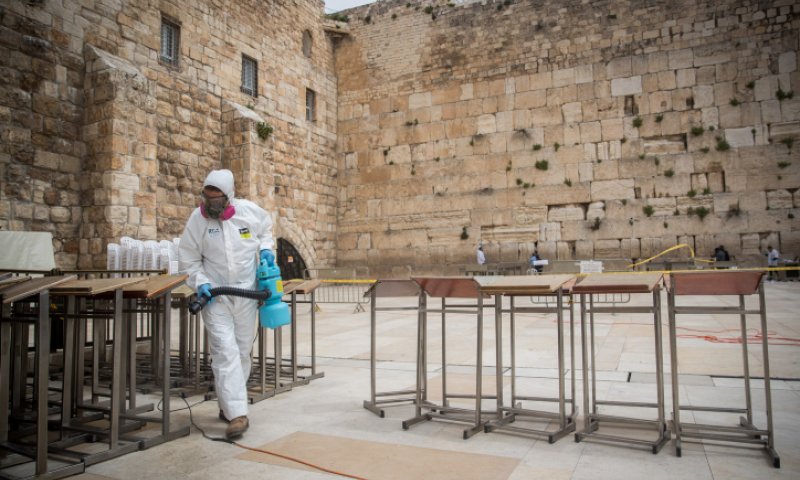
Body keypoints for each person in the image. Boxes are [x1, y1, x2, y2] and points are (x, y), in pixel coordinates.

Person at [179, 169, 274, 439]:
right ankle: (237, 415)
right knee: (224, 351)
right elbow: (188, 256)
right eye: (207, 198)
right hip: (215, 296)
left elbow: (266, 229)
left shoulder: (248, 212)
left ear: (229, 197)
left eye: (216, 199)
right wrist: (200, 282)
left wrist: (267, 249)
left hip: (246, 294)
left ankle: (228, 404)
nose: (211, 205)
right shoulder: (197, 220)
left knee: (242, 351)